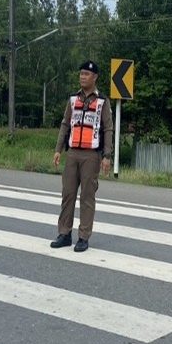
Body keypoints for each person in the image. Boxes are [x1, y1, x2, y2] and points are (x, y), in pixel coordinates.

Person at [51, 60, 114, 252]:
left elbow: (108, 128)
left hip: (91, 155)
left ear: (95, 77)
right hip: (73, 153)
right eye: (81, 74)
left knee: (87, 196)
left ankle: (83, 237)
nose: (82, 77)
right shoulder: (73, 99)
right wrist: (58, 149)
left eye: (86, 74)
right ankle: (64, 234)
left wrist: (107, 155)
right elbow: (65, 124)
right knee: (68, 194)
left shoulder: (102, 101)